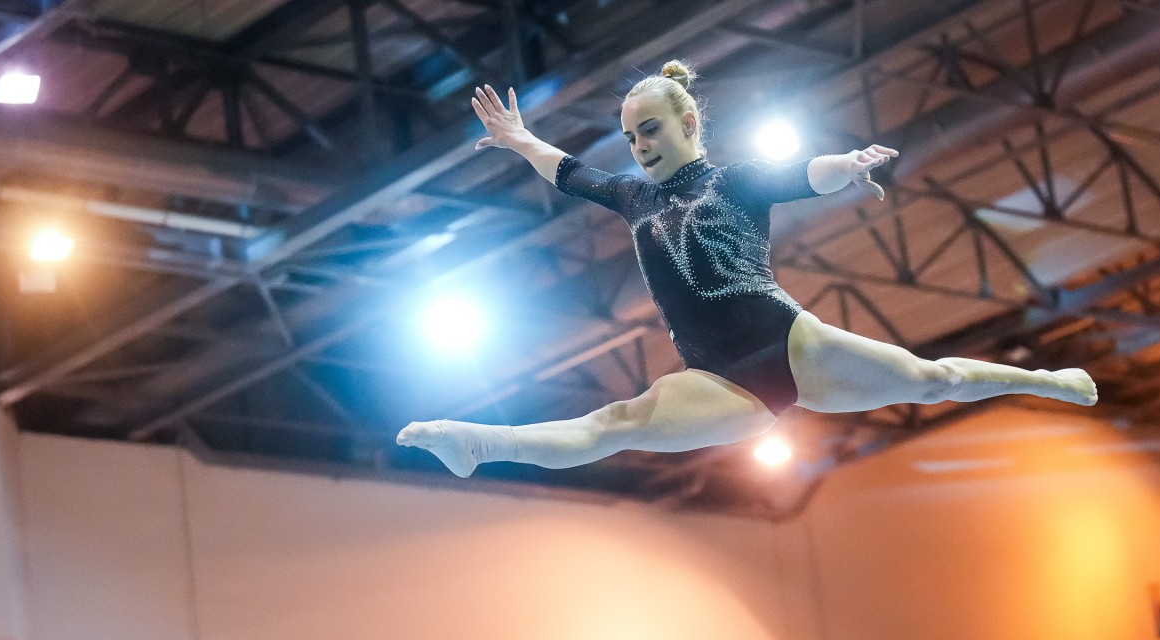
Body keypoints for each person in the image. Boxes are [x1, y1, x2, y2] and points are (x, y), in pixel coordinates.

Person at [399, 61, 1097, 477]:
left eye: (651, 130)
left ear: (688, 125)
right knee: (618, 422)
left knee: (933, 380)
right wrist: (520, 138)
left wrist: (848, 165)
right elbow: (570, 172)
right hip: (718, 379)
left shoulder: (732, 182)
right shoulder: (632, 198)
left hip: (790, 343)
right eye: (631, 136)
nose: (639, 146)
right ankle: (479, 444)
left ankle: (1047, 381)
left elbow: (804, 173)